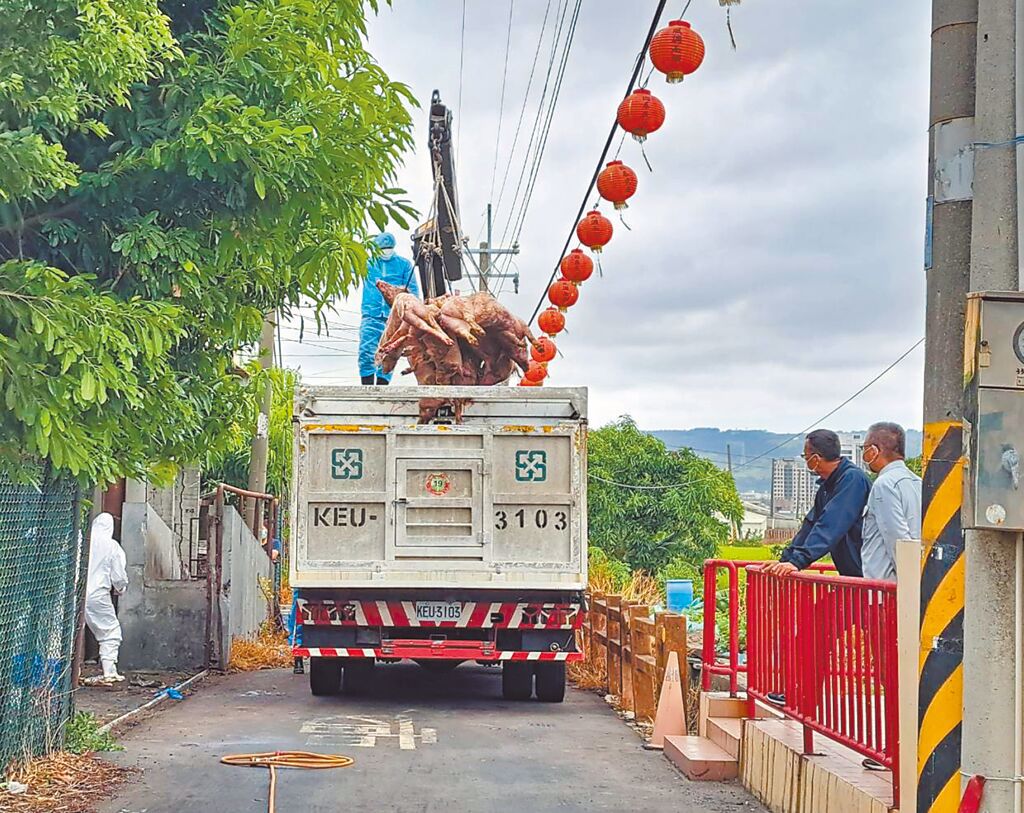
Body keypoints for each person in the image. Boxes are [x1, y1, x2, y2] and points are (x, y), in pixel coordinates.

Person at [765, 429, 872, 578]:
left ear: (815, 459)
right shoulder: (827, 487)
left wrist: (798, 561)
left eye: (805, 456)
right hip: (852, 574)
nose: (805, 460)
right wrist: (786, 560)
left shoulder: (852, 480)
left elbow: (831, 524)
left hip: (866, 573)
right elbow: (811, 524)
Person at [861, 421, 922, 582]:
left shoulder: (884, 484)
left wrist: (909, 581)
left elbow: (896, 538)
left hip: (885, 588)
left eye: (865, 448)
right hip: (913, 582)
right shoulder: (918, 482)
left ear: (875, 450)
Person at [358, 232, 418, 385]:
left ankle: (382, 387)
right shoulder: (368, 263)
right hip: (372, 314)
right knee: (367, 350)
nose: (386, 251)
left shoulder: (404, 265)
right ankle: (367, 388)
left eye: (389, 248)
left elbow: (413, 293)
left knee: (390, 353)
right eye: (383, 248)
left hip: (394, 317)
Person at [84, 513, 129, 684]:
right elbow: (118, 575)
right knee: (110, 631)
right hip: (97, 594)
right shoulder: (111, 546)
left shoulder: (82, 540)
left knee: (69, 633)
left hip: (74, 593)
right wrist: (120, 588)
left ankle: (63, 672)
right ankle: (109, 672)